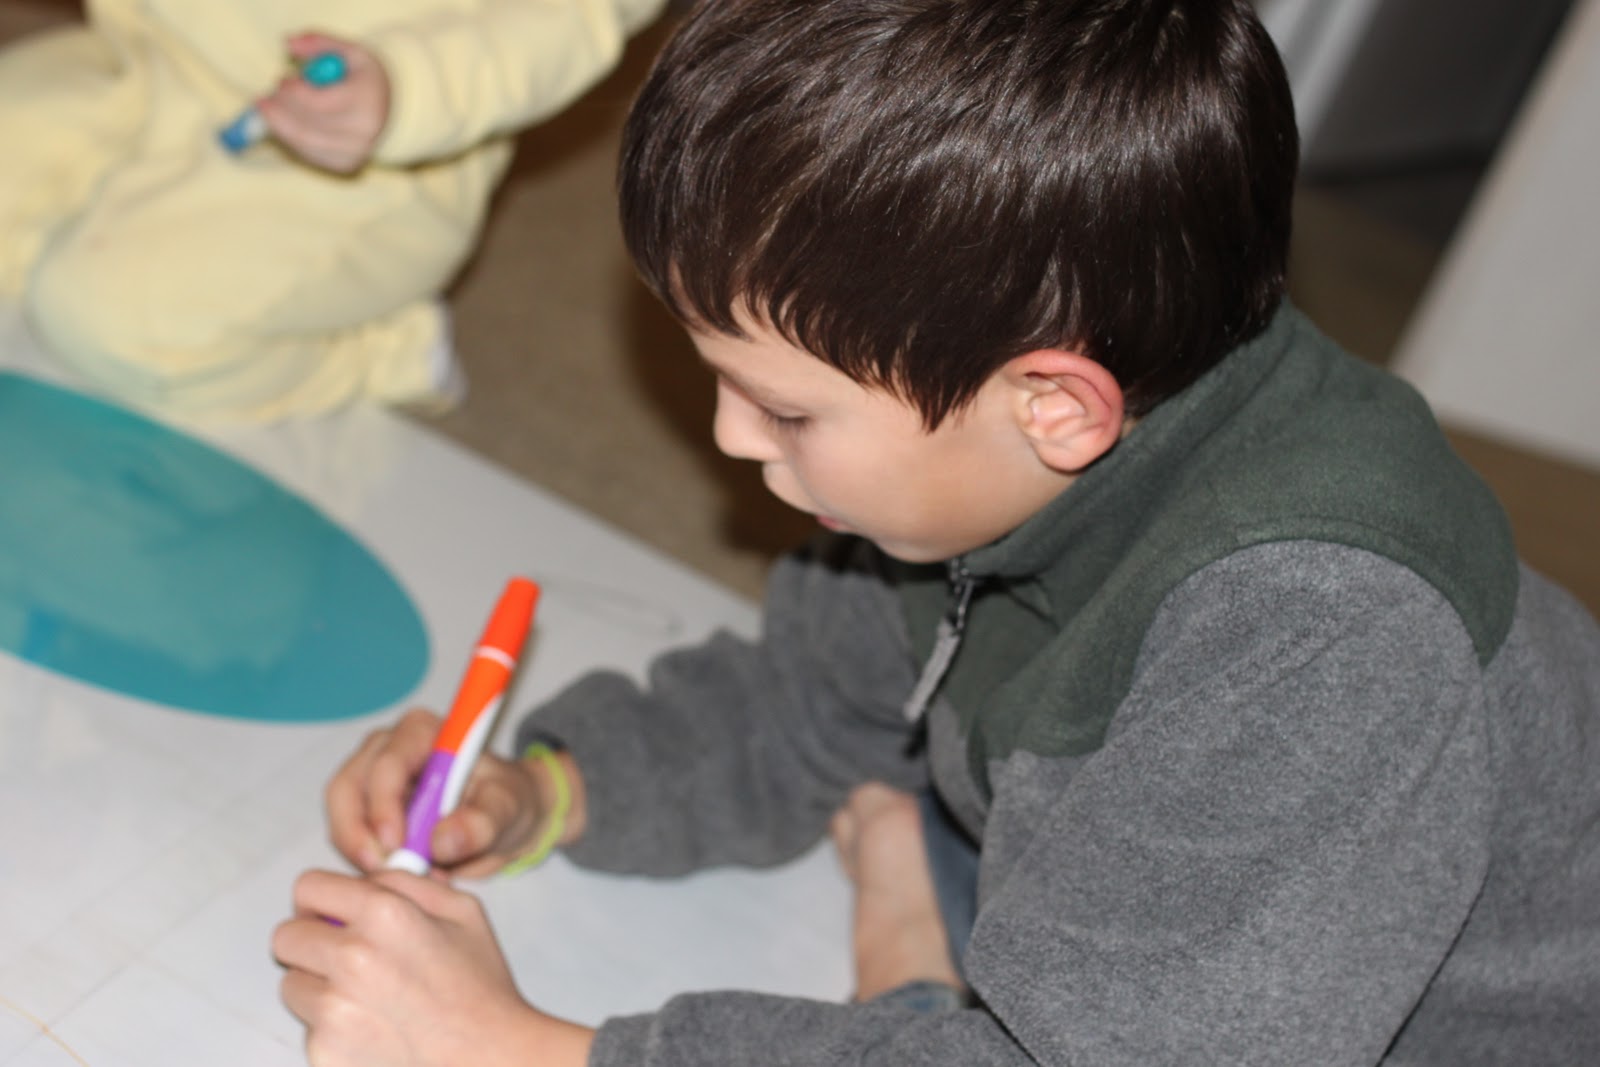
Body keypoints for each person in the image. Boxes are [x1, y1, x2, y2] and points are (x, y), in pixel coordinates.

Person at [273, 0, 1600, 1063]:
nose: (731, 438)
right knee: (931, 789)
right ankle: (926, 910)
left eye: (785, 406)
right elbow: (805, 702)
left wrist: (527, 1046)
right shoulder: (985, 435)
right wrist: (548, 790)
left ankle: (913, 947)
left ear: (1054, 406)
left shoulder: (1323, 639)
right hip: (1158, 916)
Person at [0, 0, 665, 421]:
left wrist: (408, 89)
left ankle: (386, 351)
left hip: (360, 160)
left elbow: (569, 18)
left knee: (117, 320)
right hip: (153, 64)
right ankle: (95, 214)